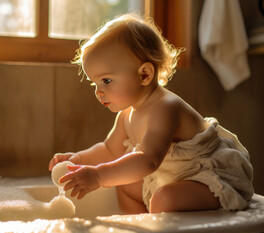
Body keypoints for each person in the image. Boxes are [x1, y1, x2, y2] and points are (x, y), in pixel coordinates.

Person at [48, 14, 253, 214]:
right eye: (95, 83)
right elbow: (109, 150)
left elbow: (148, 160)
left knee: (164, 199)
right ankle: (141, 229)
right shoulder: (127, 114)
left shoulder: (165, 107)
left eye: (107, 81)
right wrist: (78, 159)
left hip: (204, 177)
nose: (98, 91)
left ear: (144, 74)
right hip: (172, 179)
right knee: (126, 185)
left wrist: (99, 176)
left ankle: (158, 229)